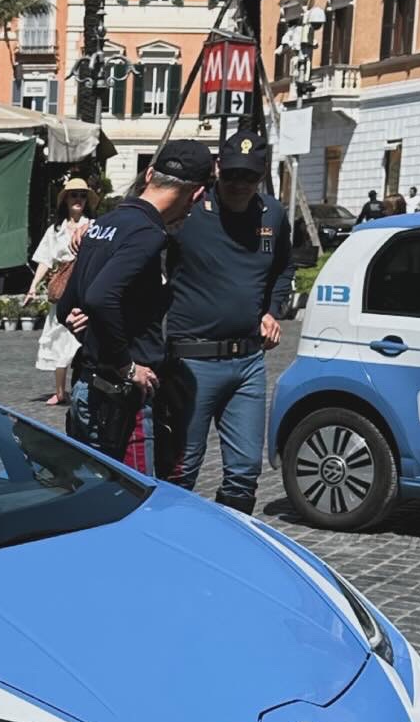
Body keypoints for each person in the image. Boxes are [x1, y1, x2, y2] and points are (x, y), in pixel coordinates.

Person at [54, 139, 213, 468]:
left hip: (88, 385)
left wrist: (92, 330)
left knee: (89, 500)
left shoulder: (103, 225)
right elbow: (99, 298)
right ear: (197, 194)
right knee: (134, 507)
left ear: (151, 173)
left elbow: (65, 308)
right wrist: (127, 366)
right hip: (121, 399)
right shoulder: (148, 233)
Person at [164, 131, 293, 514]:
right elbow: (137, 225)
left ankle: (229, 551)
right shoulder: (188, 209)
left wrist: (273, 309)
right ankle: (172, 546)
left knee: (244, 472)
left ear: (262, 175)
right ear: (218, 169)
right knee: (182, 467)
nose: (239, 184)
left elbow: (284, 267)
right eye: (232, 174)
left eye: (249, 177)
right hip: (192, 359)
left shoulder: (272, 214)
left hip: (248, 363)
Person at [25, 177, 94, 406]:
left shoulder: (93, 226)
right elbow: (45, 260)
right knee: (58, 339)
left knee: (83, 340)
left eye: (82, 195)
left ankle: (85, 387)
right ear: (65, 199)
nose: (78, 199)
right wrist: (33, 286)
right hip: (63, 288)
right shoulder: (55, 230)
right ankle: (60, 391)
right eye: (74, 195)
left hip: (85, 286)